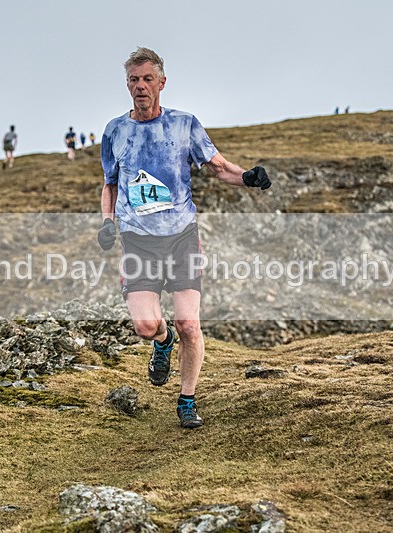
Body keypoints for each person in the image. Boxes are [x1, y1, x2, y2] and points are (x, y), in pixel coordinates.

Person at [97, 47, 271, 429]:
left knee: (189, 324)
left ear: (161, 82)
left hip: (181, 238)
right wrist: (107, 222)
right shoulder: (115, 131)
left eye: (147, 79)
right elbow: (110, 184)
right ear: (127, 85)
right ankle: (162, 341)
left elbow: (219, 168)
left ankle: (187, 400)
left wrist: (247, 177)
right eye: (133, 80)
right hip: (138, 240)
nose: (140, 86)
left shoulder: (184, 124)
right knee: (145, 325)